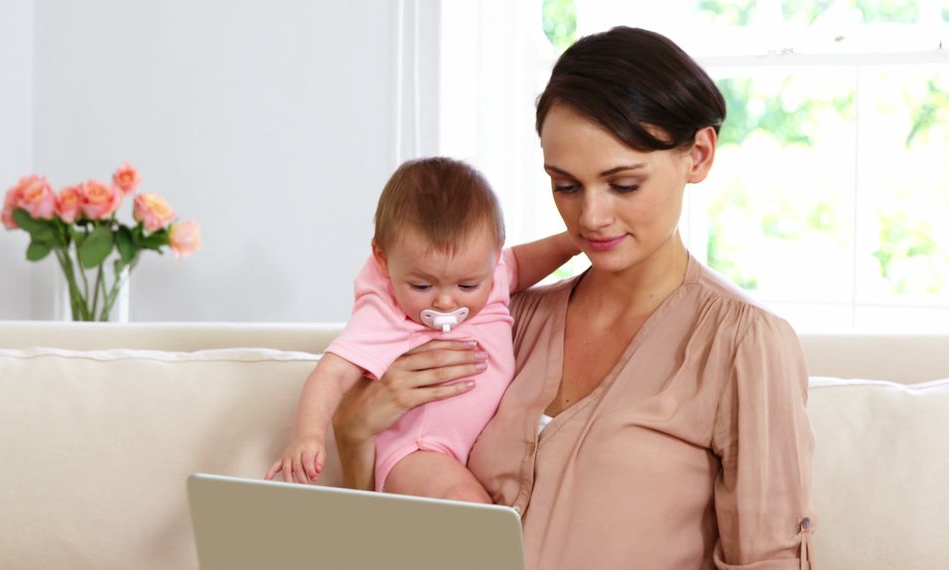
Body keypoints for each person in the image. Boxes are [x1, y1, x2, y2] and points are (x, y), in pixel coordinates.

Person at [332, 27, 817, 569]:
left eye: (624, 184)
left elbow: (769, 558)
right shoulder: (504, 321)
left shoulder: (744, 344)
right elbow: (385, 539)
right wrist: (353, 434)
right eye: (566, 185)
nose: (590, 217)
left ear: (699, 155)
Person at [266, 157, 578, 502]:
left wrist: (575, 241)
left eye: (467, 285)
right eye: (422, 286)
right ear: (384, 261)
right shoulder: (386, 310)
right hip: (416, 451)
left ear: (493, 257)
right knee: (471, 507)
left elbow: (523, 261)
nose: (446, 302)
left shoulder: (494, 272)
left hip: (475, 448)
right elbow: (331, 374)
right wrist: (308, 435)